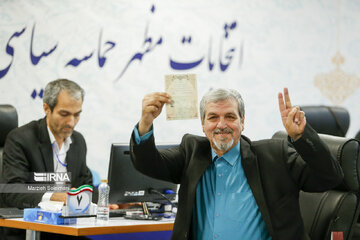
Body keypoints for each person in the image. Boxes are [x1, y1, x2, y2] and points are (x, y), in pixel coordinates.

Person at [130, 88, 343, 240]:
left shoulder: (274, 156)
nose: (221, 125)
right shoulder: (191, 151)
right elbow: (148, 164)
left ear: (242, 121)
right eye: (213, 117)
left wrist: (301, 137)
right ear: (203, 124)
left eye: (230, 116)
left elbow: (329, 177)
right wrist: (145, 123)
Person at [0, 79, 94, 240]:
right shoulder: (20, 139)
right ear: (47, 108)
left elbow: (85, 184)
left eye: (77, 114)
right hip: (28, 229)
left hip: (66, 228)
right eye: (64, 114)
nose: (71, 122)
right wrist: (53, 196)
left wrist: (115, 200)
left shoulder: (78, 141)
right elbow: (12, 190)